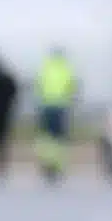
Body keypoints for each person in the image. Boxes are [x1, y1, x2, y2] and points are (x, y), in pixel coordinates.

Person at [34, 45, 77, 182]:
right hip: (61, 107)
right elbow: (72, 88)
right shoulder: (66, 69)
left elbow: (37, 87)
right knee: (60, 137)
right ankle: (58, 165)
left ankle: (46, 162)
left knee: (46, 136)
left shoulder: (45, 68)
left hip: (46, 106)